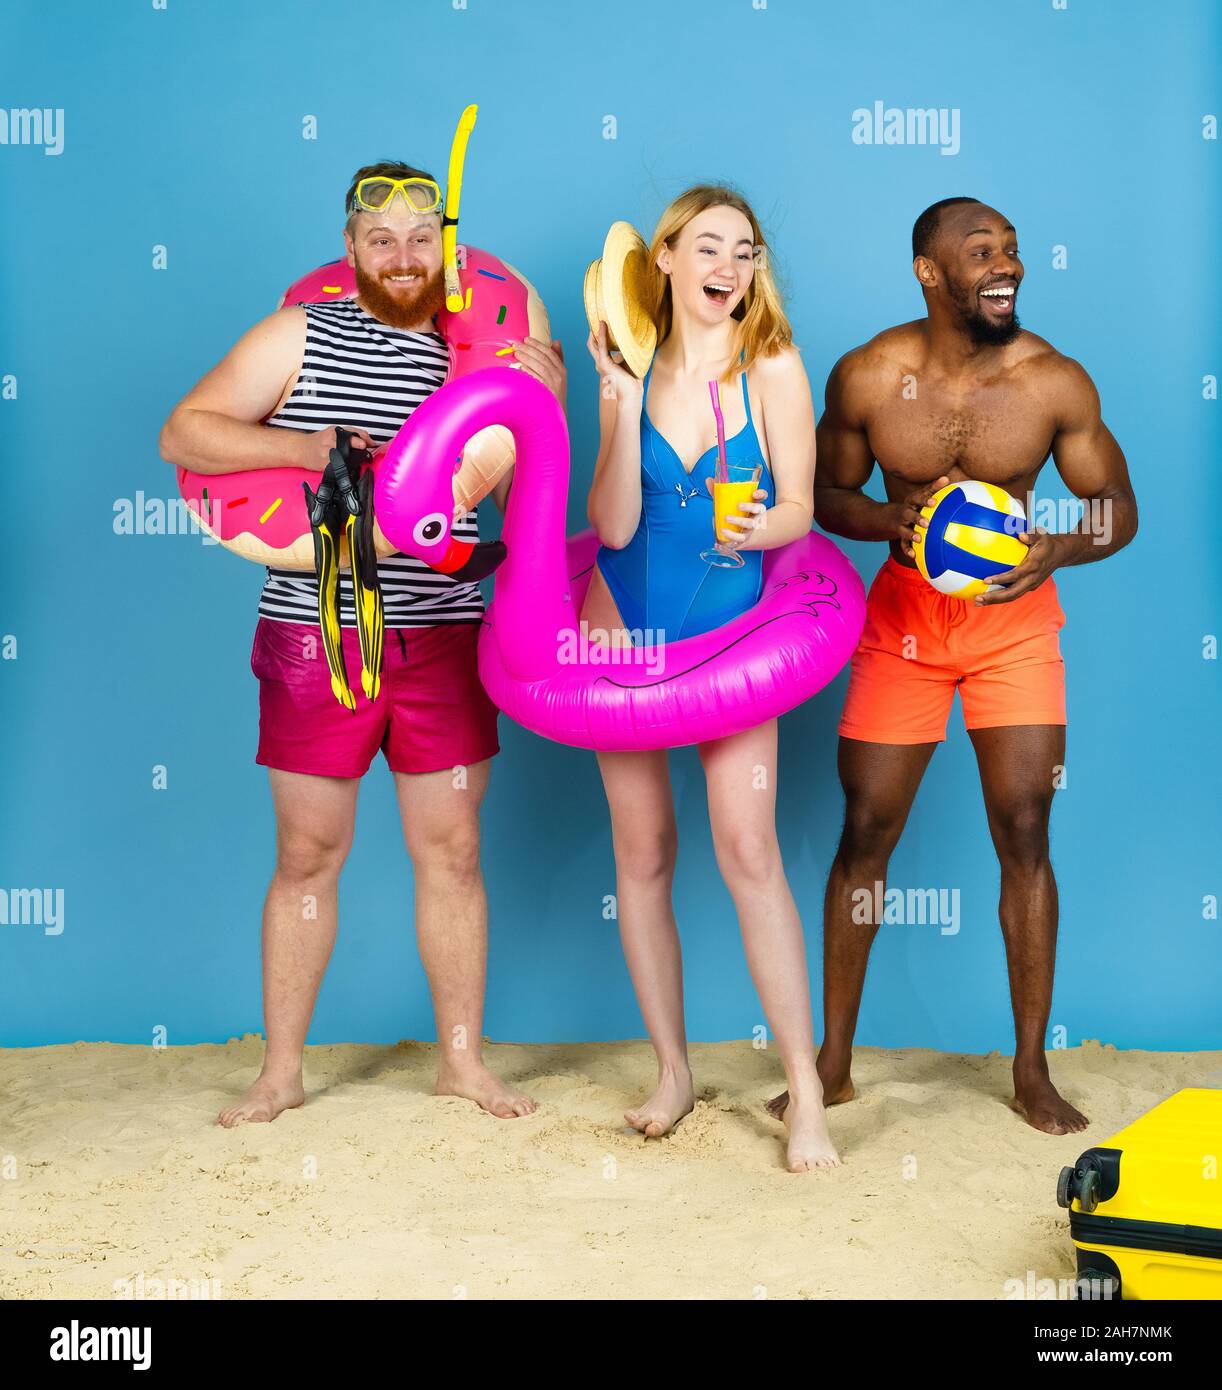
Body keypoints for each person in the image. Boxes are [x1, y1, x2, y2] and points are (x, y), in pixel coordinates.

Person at [159, 161, 566, 1126]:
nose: (402, 257)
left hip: (444, 639)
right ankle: (281, 1072)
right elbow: (187, 431)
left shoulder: (486, 357)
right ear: (350, 251)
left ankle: (462, 1063)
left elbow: (516, 510)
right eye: (380, 241)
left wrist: (539, 408)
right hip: (315, 632)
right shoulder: (302, 333)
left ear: (447, 250)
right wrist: (313, 448)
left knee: (454, 850)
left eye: (421, 240)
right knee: (307, 852)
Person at [767, 197, 1137, 1135]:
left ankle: (1030, 1070)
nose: (1004, 265)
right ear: (930, 271)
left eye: (1010, 250)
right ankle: (834, 1063)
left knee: (1024, 827)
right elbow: (823, 494)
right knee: (866, 830)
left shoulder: (1053, 381)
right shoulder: (868, 374)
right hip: (900, 625)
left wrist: (1059, 546)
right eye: (981, 253)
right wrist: (890, 521)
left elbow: (1117, 508)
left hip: (1014, 627)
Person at [581, 186, 838, 1171]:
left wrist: (758, 524)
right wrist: (612, 404)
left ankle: (804, 1092)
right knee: (641, 853)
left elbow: (800, 511)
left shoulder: (770, 363)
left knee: (747, 848)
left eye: (746, 250)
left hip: (732, 640)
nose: (728, 264)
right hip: (624, 635)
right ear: (669, 258)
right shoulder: (631, 365)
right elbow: (608, 527)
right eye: (709, 246)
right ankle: (674, 1071)